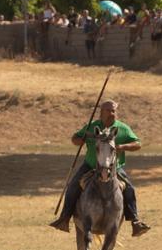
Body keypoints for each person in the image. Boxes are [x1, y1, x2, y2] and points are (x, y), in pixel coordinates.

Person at [49, 100, 151, 237]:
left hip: (114, 168)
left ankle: (135, 221)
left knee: (129, 188)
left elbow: (138, 144)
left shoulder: (123, 128)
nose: (112, 113)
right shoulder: (92, 126)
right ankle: (64, 218)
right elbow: (75, 139)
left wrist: (122, 147)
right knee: (73, 186)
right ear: (101, 112)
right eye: (109, 110)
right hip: (90, 165)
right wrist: (84, 139)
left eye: (114, 111)